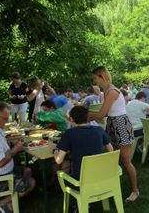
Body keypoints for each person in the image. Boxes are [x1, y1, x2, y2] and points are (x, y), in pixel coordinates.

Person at [88, 66, 139, 202]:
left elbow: (101, 115)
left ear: (102, 76)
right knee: (110, 158)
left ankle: (135, 191)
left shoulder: (111, 92)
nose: (94, 81)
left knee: (126, 161)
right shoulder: (107, 91)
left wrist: (85, 116)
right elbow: (104, 114)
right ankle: (109, 186)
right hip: (112, 124)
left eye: (95, 78)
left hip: (120, 125)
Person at [0, 102, 35, 213]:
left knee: (28, 170)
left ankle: (10, 200)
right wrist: (15, 149)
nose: (7, 122)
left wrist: (9, 139)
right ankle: (0, 204)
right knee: (31, 182)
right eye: (5, 119)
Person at [54, 106, 113, 180]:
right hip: (100, 176)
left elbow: (59, 160)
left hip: (80, 181)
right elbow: (111, 150)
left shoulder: (69, 133)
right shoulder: (99, 130)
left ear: (71, 119)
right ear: (87, 118)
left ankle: (53, 180)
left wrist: (56, 152)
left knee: (64, 165)